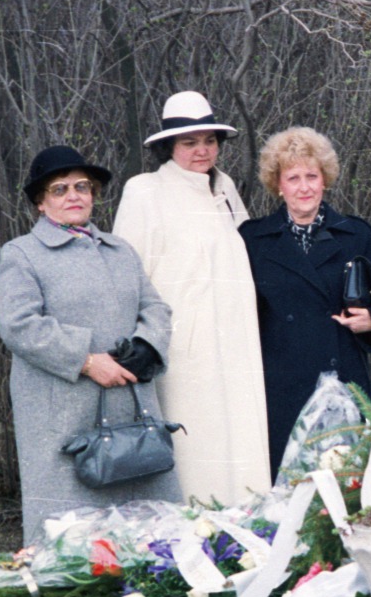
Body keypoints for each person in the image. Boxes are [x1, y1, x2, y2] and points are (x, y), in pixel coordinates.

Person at [0, 145, 181, 545]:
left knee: (145, 525)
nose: (74, 196)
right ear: (41, 204)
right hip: (64, 414)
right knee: (71, 533)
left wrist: (148, 345)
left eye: (82, 186)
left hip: (130, 406)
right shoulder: (22, 255)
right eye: (59, 189)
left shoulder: (120, 251)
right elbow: (19, 325)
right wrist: (85, 360)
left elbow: (155, 307)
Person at [113, 91, 271, 504]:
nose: (202, 150)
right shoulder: (146, 190)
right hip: (185, 349)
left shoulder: (225, 188)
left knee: (243, 440)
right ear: (169, 146)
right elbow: (128, 277)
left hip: (238, 343)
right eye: (189, 142)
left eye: (209, 140)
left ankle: (250, 538)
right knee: (198, 446)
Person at [239, 126, 371, 477]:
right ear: (278, 184)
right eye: (293, 177)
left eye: (311, 176)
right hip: (280, 385)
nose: (304, 187)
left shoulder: (356, 234)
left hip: (342, 380)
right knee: (288, 487)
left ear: (325, 179)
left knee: (348, 482)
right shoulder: (253, 239)